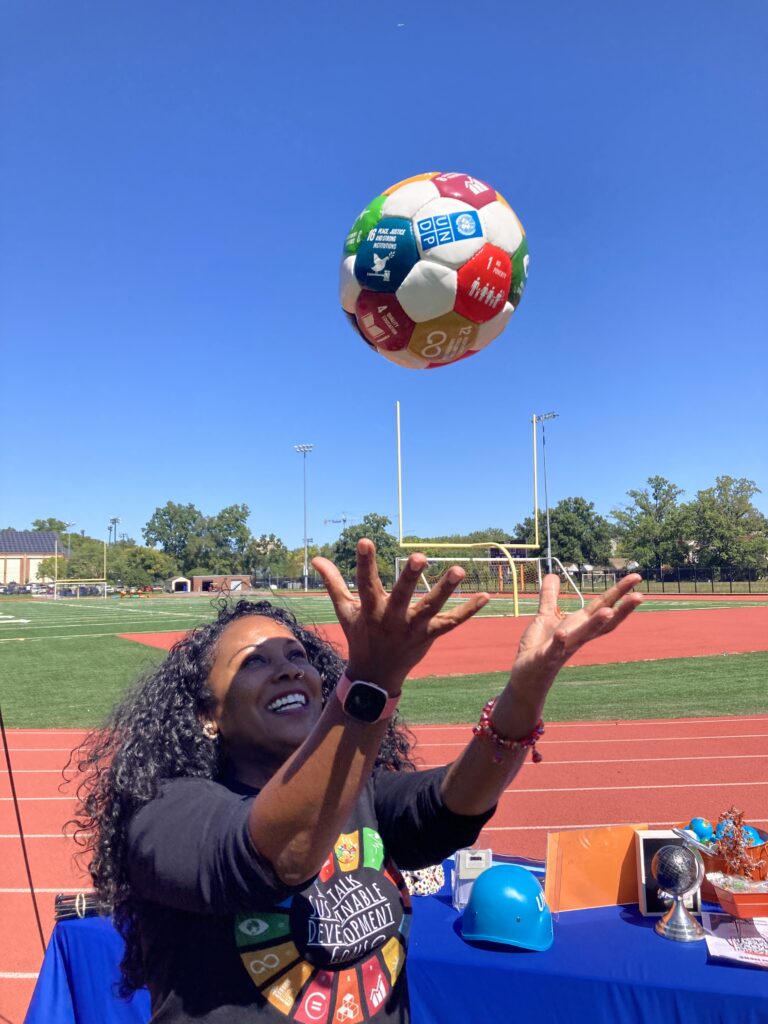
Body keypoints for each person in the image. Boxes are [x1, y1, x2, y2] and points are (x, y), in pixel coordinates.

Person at [69, 539, 642, 1023]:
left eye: (297, 653)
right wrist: (371, 682)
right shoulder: (165, 813)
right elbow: (274, 857)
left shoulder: (355, 788)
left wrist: (526, 690)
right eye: (253, 662)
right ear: (206, 715)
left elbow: (451, 807)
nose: (289, 667)